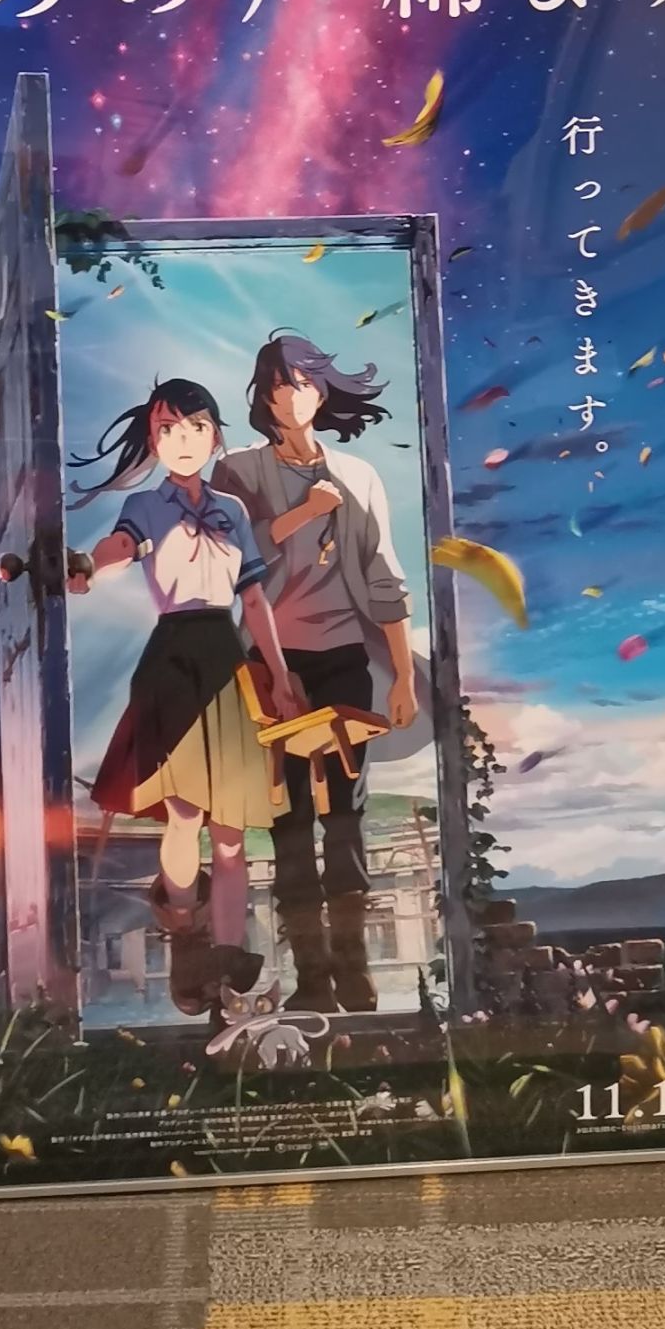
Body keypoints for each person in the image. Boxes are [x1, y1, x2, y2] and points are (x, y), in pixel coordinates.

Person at [68, 377, 300, 1015]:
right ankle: (185, 935)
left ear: (215, 434)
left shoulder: (233, 511)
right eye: (168, 429)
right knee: (185, 813)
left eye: (196, 427)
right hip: (172, 660)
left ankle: (228, 955)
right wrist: (87, 566)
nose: (184, 439)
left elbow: (254, 599)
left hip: (227, 660)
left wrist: (280, 675)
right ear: (153, 440)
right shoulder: (145, 506)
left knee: (230, 832)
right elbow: (120, 548)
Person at [214, 332, 419, 1013]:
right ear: (262, 395)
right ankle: (311, 980)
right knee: (291, 817)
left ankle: (354, 974)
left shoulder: (359, 475)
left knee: (347, 815)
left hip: (343, 659)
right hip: (271, 662)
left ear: (322, 390)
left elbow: (384, 576)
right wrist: (305, 512)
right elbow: (230, 558)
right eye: (276, 384)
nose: (289, 395)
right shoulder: (238, 472)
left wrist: (402, 676)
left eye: (301, 382)